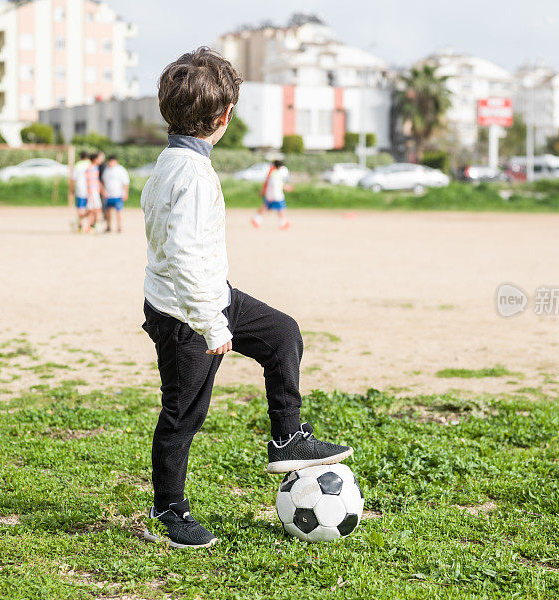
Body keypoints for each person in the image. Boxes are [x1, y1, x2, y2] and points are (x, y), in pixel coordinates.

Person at [140, 47, 352, 548]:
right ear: (225, 116)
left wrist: (218, 306)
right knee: (183, 413)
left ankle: (287, 437)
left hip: (211, 296)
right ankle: (169, 510)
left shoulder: (173, 161)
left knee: (282, 333)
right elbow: (184, 255)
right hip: (186, 314)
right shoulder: (189, 174)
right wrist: (213, 325)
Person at [251, 159, 292, 230]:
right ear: (279, 167)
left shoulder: (271, 173)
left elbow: (268, 183)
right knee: (280, 208)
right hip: (276, 195)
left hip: (270, 194)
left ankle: (256, 219)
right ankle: (283, 223)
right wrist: (286, 188)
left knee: (267, 208)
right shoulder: (276, 174)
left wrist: (264, 191)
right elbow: (277, 185)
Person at [101, 155, 129, 233]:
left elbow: (126, 183)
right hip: (108, 194)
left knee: (119, 212)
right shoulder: (107, 170)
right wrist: (103, 191)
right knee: (108, 212)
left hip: (118, 194)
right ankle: (108, 226)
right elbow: (103, 181)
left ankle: (119, 226)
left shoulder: (121, 170)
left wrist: (125, 193)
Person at [71, 151, 90, 231]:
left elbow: (73, 178)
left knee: (80, 208)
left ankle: (79, 223)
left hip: (80, 189)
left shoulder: (78, 165)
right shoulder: (90, 163)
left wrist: (71, 189)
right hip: (90, 189)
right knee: (91, 208)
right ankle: (88, 224)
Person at [84, 153, 103, 233]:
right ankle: (97, 226)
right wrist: (90, 190)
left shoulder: (95, 168)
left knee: (91, 209)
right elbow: (88, 180)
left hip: (94, 191)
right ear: (95, 159)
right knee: (97, 209)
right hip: (93, 191)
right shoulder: (91, 168)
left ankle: (90, 226)